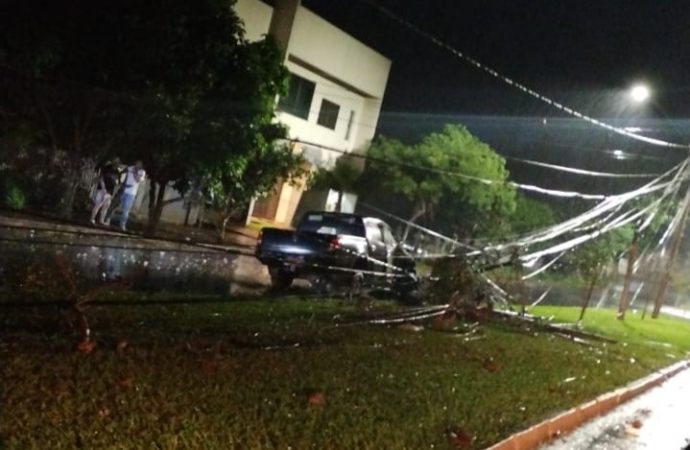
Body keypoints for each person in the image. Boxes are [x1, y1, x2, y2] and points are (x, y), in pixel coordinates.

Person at [90, 160, 121, 226]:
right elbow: (101, 178)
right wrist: (103, 188)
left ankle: (101, 220)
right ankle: (92, 219)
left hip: (110, 191)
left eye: (118, 162)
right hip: (102, 189)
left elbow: (117, 183)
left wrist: (116, 183)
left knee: (106, 206)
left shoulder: (117, 172)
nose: (117, 163)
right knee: (98, 204)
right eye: (116, 161)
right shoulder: (106, 168)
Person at [118, 160, 145, 231]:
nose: (137, 165)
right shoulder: (131, 168)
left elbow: (137, 180)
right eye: (136, 163)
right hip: (124, 190)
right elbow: (123, 171)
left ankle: (122, 225)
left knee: (126, 210)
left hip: (131, 193)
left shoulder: (142, 172)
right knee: (116, 205)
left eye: (139, 164)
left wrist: (135, 172)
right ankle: (107, 220)